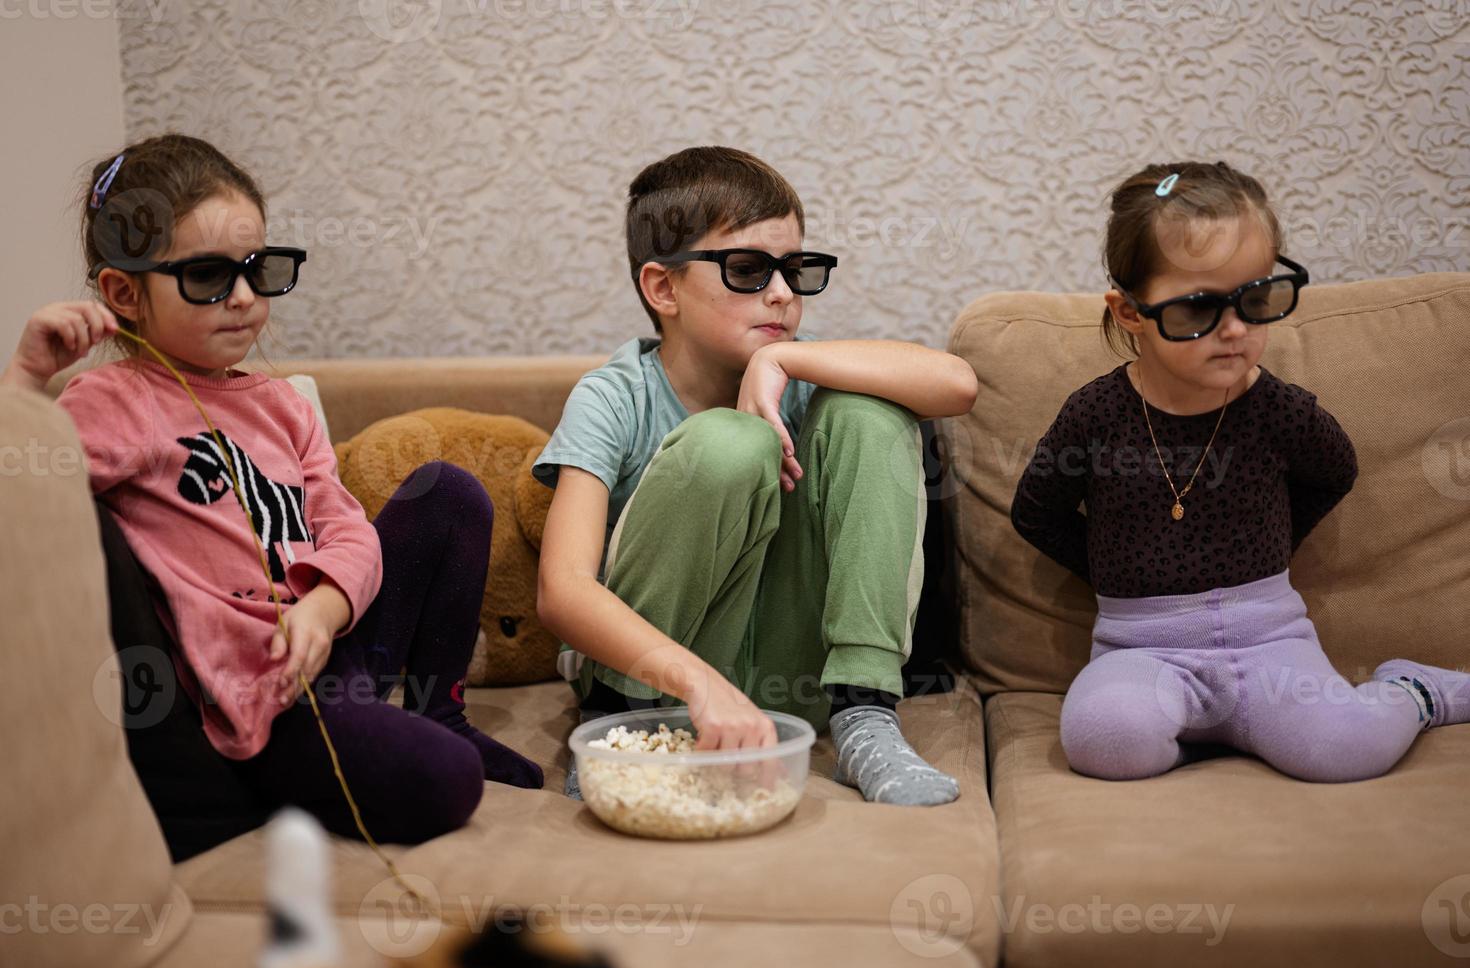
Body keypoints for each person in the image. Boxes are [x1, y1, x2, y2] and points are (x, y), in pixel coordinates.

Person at [1, 134, 541, 857]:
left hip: (333, 639)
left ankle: (439, 712)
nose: (247, 298)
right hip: (268, 693)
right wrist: (25, 381)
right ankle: (296, 773)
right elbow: (19, 504)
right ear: (124, 293)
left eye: (259, 269)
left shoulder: (281, 405)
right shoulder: (114, 401)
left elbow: (347, 531)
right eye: (208, 277)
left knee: (447, 492)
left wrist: (325, 605)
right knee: (448, 783)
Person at [534, 146, 978, 806]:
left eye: (795, 271)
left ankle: (864, 715)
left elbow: (957, 383)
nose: (782, 292)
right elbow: (560, 592)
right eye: (747, 269)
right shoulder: (615, 396)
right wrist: (693, 683)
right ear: (664, 288)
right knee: (731, 443)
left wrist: (783, 364)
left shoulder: (802, 379)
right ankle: (620, 721)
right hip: (657, 677)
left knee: (870, 413)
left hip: (794, 680)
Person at [1010, 160, 1469, 782]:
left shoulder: (1278, 410)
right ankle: (1183, 732)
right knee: (1104, 740)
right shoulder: (1097, 414)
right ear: (1129, 312)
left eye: (1255, 299)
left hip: (1270, 642)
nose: (1233, 330)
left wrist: (1274, 546)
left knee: (1347, 751)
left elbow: (1335, 472)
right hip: (1142, 648)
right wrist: (1115, 569)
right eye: (1198, 309)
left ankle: (1415, 691)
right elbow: (1037, 510)